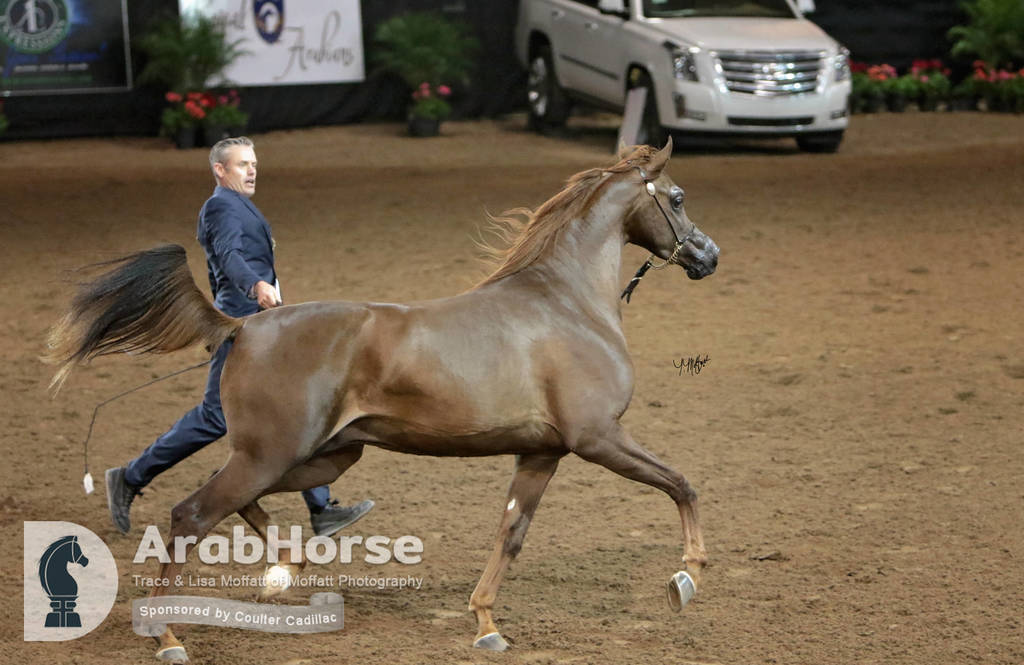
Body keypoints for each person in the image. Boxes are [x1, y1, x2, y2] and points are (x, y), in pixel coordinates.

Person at [105, 136, 373, 537]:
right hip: (244, 326)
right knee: (216, 416)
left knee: (301, 405)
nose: (252, 171)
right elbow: (230, 257)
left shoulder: (237, 205)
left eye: (254, 164)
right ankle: (130, 477)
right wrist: (255, 286)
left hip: (262, 324)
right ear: (220, 170)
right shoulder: (221, 207)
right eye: (243, 164)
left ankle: (321, 509)